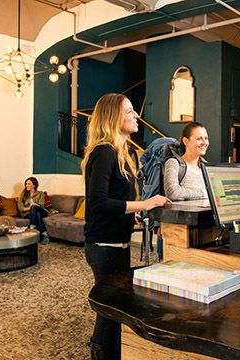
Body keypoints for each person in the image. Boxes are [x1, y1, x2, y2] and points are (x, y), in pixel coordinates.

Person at [81, 93, 170, 360]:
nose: (136, 115)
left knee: (114, 310)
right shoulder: (104, 152)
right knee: (109, 312)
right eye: (129, 111)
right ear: (113, 117)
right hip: (103, 247)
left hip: (115, 243)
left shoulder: (122, 153)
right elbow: (97, 203)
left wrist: (128, 215)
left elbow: (115, 202)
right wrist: (144, 205)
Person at [163, 122, 209, 201]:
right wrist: (204, 193)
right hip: (184, 213)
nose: (204, 143)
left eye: (206, 138)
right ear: (186, 141)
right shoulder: (174, 163)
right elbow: (173, 193)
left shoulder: (207, 166)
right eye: (199, 139)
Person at [17, 177, 52, 244]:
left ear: (34, 185)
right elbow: (21, 208)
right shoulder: (22, 195)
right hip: (27, 213)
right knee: (37, 214)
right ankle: (45, 235)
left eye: (29, 184)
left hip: (41, 210)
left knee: (35, 208)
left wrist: (34, 206)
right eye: (26, 184)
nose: (26, 185)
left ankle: (32, 227)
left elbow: (41, 204)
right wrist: (31, 207)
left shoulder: (40, 193)